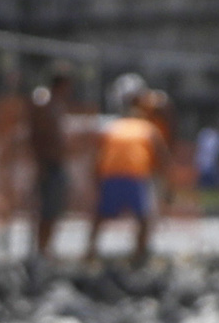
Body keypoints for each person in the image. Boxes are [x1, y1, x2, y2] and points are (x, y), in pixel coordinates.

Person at [85, 73, 165, 265]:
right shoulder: (115, 126)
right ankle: (92, 253)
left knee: (141, 218)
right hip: (122, 177)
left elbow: (161, 155)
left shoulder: (144, 126)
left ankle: (138, 255)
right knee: (107, 216)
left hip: (133, 177)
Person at [21, 61, 77, 263]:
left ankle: (45, 249)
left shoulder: (57, 105)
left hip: (56, 164)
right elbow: (39, 135)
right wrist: (41, 163)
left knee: (55, 209)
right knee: (46, 209)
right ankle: (40, 250)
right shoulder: (44, 103)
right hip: (48, 164)